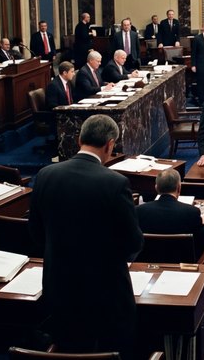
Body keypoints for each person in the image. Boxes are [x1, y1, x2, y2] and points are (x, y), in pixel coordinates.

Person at [30, 114, 143, 355]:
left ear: (79, 139)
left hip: (59, 287)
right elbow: (133, 242)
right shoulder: (116, 183)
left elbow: (36, 233)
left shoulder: (46, 175)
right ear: (110, 145)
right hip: (105, 293)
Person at [137, 168, 204, 256]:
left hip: (148, 262)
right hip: (184, 262)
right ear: (179, 188)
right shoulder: (192, 212)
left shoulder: (139, 211)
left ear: (156, 188)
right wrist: (203, 223)